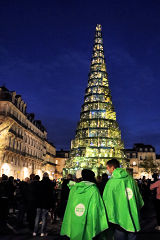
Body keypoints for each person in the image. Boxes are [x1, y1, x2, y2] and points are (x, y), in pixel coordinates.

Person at [61, 169, 108, 240]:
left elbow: (69, 206)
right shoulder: (93, 189)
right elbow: (97, 207)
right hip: (88, 220)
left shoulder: (74, 188)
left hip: (74, 219)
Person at [103, 159, 144, 240]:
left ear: (112, 168)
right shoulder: (131, 179)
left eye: (107, 167)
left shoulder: (111, 182)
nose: (107, 170)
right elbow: (137, 197)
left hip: (119, 219)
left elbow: (107, 201)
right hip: (132, 215)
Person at [33, 172, 54, 237]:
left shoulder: (39, 183)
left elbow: (36, 194)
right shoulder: (50, 184)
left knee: (37, 217)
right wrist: (51, 204)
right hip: (46, 203)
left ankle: (35, 232)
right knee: (44, 217)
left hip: (39, 202)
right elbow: (51, 195)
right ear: (47, 176)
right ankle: (42, 232)